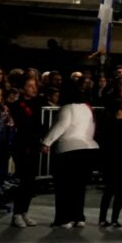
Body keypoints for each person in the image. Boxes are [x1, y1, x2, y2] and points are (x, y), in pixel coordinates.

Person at [41, 87, 98, 228]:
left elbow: (61, 125)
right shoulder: (87, 108)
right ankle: (78, 217)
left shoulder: (68, 108)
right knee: (79, 186)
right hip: (87, 148)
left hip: (68, 149)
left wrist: (46, 142)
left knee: (63, 186)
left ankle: (63, 219)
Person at [97, 98, 122, 228]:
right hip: (121, 162)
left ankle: (103, 218)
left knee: (109, 191)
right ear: (119, 111)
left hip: (110, 162)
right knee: (119, 192)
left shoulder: (107, 124)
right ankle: (114, 219)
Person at [8, 77, 44, 228]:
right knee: (23, 179)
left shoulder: (37, 103)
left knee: (31, 180)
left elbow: (38, 124)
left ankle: (24, 211)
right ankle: (16, 213)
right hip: (22, 145)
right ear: (23, 89)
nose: (33, 88)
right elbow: (24, 124)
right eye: (29, 86)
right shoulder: (16, 105)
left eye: (34, 85)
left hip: (34, 144)